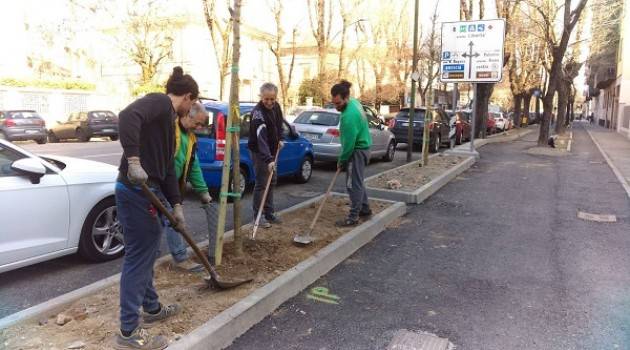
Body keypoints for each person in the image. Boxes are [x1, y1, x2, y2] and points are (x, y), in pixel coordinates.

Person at [114, 66, 198, 350]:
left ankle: (151, 309)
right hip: (134, 192)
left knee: (147, 252)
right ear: (187, 97)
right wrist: (134, 161)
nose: (191, 109)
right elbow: (127, 116)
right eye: (193, 103)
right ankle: (128, 332)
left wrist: (177, 206)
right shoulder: (161, 103)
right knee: (139, 257)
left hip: (147, 194)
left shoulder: (168, 124)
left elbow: (166, 171)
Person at [164, 102, 212, 273]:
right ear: (186, 115)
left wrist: (203, 191)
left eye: (201, 124)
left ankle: (179, 256)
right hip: (160, 184)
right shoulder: (171, 130)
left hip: (173, 186)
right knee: (172, 221)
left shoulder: (190, 137)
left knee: (172, 222)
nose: (198, 127)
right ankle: (180, 258)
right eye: (197, 123)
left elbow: (193, 165)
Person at [331, 80, 373, 227]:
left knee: (352, 184)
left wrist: (341, 161)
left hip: (356, 152)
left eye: (338, 103)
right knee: (358, 181)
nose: (336, 107)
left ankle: (353, 217)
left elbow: (349, 146)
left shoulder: (348, 116)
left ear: (346, 98)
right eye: (334, 103)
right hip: (364, 147)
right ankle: (365, 209)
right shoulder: (355, 103)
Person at [248, 82, 285, 228]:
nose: (269, 102)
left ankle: (269, 213)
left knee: (272, 180)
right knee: (262, 183)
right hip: (259, 151)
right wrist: (268, 159)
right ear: (261, 97)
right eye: (266, 99)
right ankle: (258, 216)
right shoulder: (257, 114)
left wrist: (281, 138)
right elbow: (261, 139)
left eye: (272, 99)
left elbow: (279, 124)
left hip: (272, 149)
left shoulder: (276, 107)